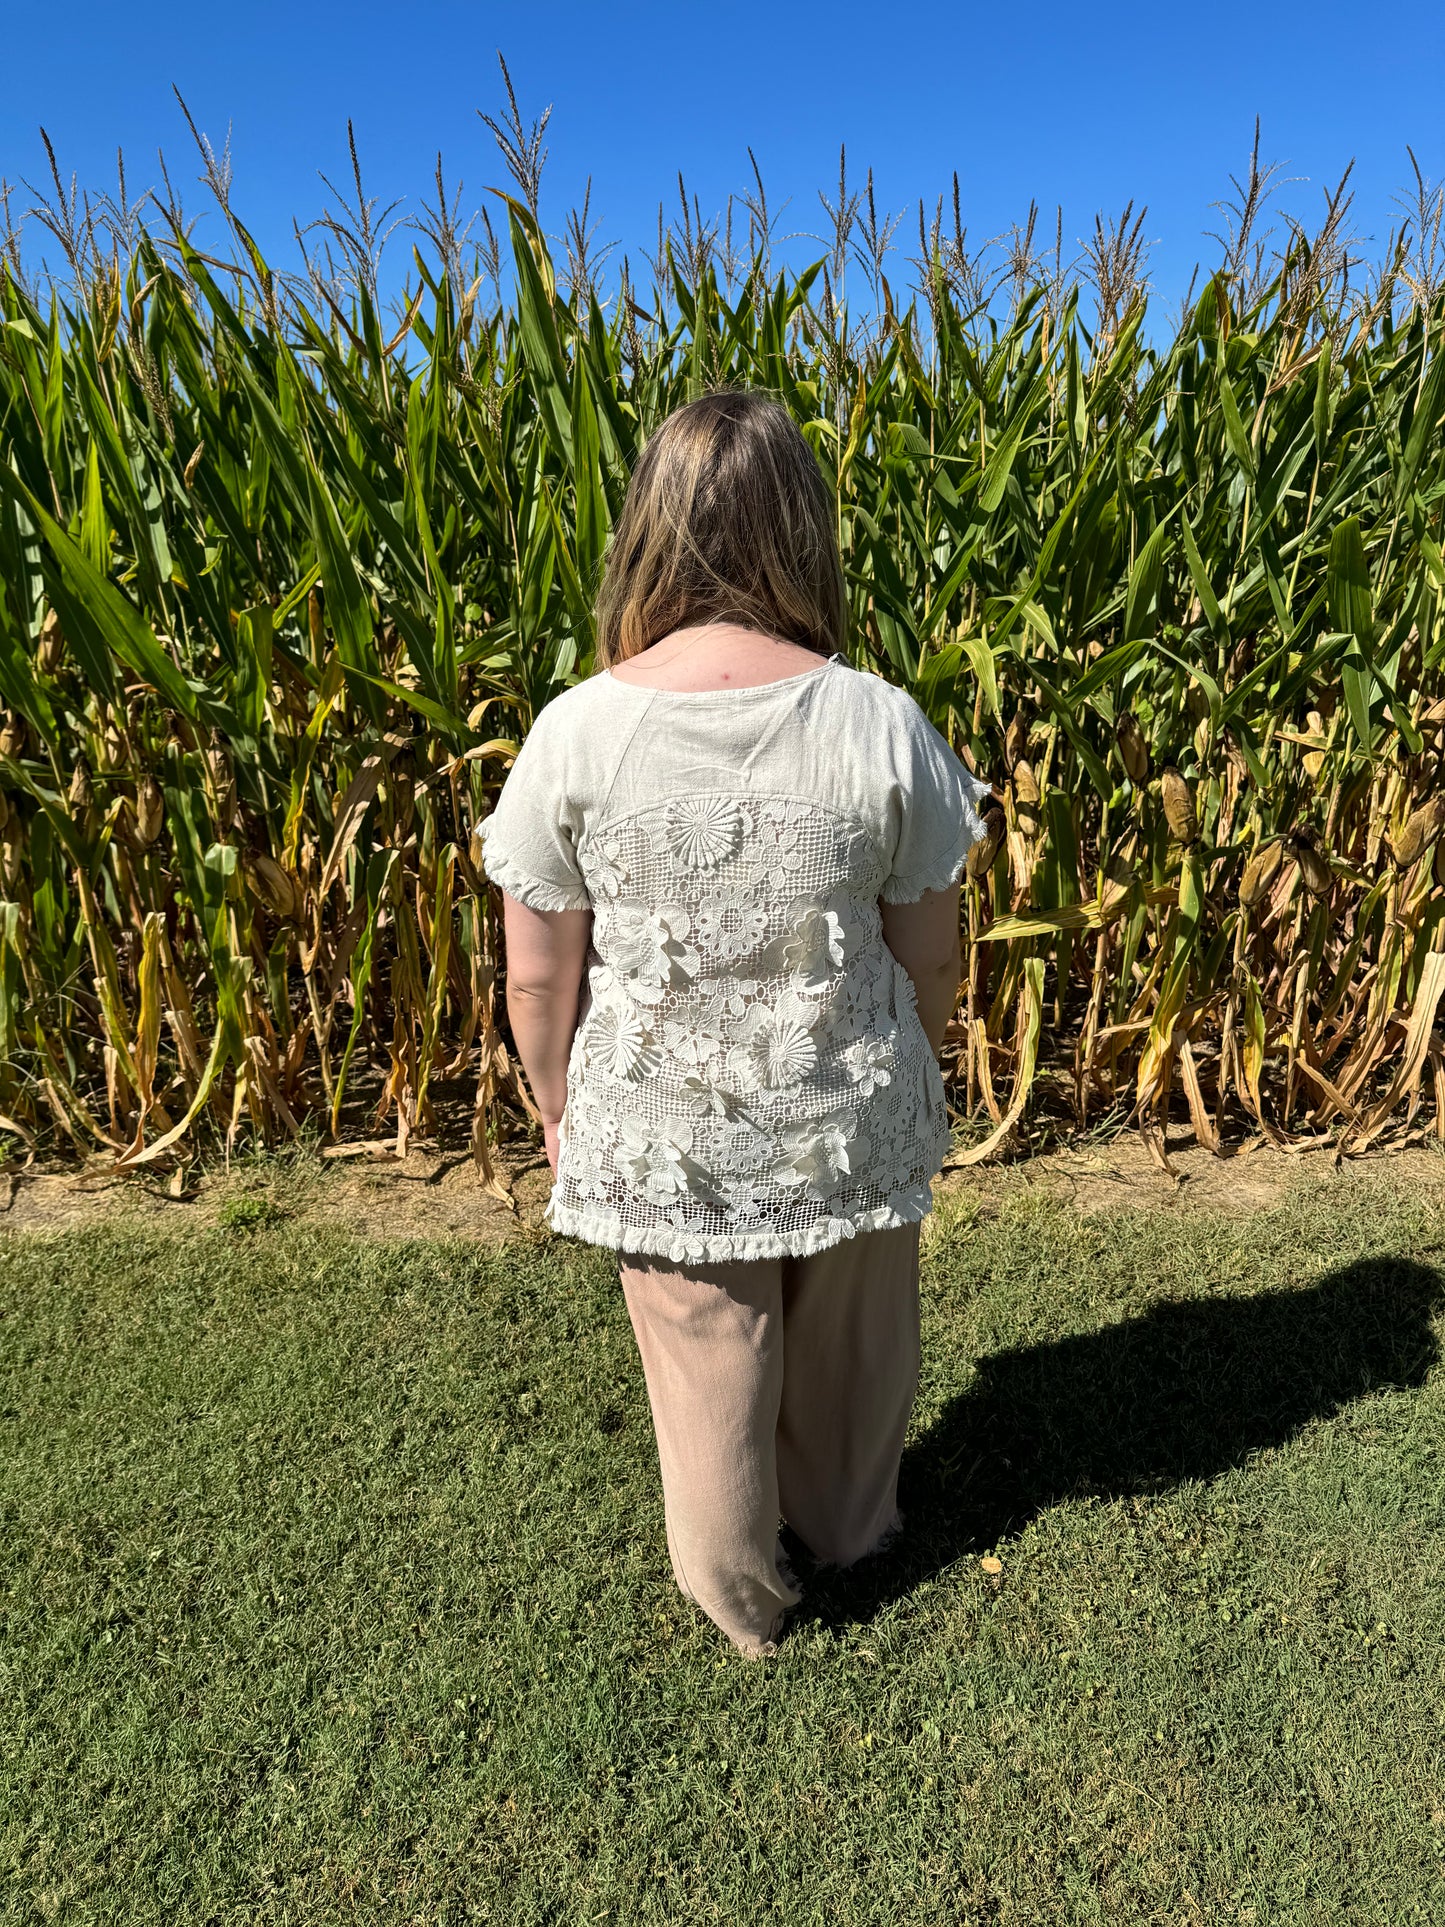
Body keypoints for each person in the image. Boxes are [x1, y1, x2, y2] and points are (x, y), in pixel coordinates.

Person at [481, 389, 990, 1655]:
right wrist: (906, 1062)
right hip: (847, 1104)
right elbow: (927, 950)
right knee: (856, 1346)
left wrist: (555, 1100)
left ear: (647, 529)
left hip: (662, 1130)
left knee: (706, 1358)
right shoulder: (878, 719)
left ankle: (739, 1600)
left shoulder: (574, 732)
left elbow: (540, 976)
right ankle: (851, 1529)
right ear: (801, 531)